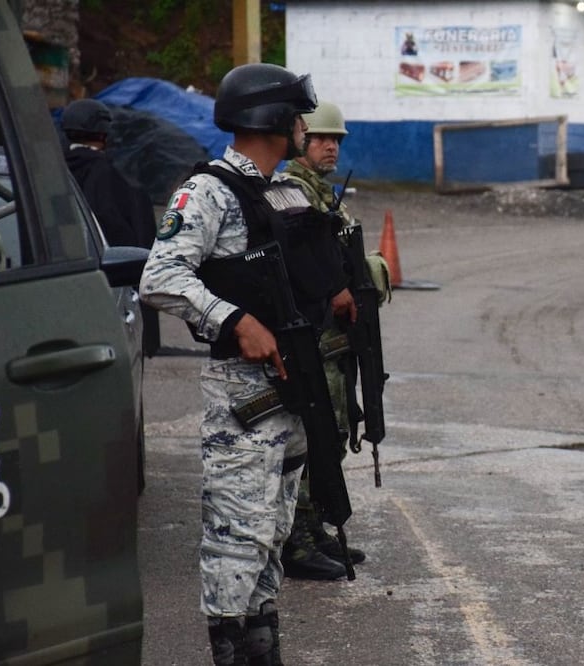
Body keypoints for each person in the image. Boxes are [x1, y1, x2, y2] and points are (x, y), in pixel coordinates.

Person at [139, 62, 352, 666]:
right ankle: (230, 652)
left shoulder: (279, 189)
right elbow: (160, 276)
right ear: (270, 118)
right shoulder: (207, 191)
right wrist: (234, 319)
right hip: (242, 397)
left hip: (292, 392)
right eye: (294, 114)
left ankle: (262, 650)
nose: (302, 124)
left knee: (274, 536)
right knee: (238, 537)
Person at [280, 100, 391, 580]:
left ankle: (317, 526)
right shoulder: (291, 193)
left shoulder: (324, 195)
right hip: (316, 339)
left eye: (337, 140)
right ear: (299, 140)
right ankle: (297, 539)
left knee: (335, 432)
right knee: (313, 436)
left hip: (336, 342)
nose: (331, 146)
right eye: (322, 138)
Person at [62, 97, 162, 355]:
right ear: (104, 133)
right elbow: (134, 240)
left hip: (56, 285)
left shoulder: (50, 173)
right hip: (110, 297)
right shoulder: (115, 177)